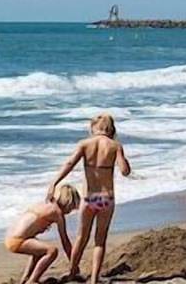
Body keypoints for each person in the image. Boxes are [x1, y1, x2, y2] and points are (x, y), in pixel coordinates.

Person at [46, 112, 132, 284]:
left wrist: (54, 182)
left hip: (89, 198)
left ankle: (72, 272)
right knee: (100, 240)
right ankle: (94, 279)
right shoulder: (115, 146)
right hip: (106, 199)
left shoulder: (84, 144)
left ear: (93, 128)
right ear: (111, 129)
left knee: (81, 237)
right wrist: (122, 158)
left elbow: (70, 163)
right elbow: (125, 171)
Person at [4, 184, 80, 284]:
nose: (70, 212)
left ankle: (25, 279)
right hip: (17, 240)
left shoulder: (43, 203)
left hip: (9, 237)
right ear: (69, 203)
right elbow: (65, 241)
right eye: (72, 208)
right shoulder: (57, 213)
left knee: (39, 251)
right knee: (52, 251)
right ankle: (32, 280)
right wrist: (73, 264)